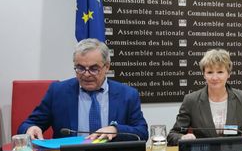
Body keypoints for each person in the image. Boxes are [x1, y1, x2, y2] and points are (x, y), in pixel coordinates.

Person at [18, 39, 148, 141]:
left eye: (94, 68)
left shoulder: (127, 95)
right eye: (80, 68)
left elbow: (142, 132)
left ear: (106, 67)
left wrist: (116, 130)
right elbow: (28, 124)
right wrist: (31, 128)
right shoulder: (58, 92)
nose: (86, 74)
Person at [167, 49, 242, 145]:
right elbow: (173, 135)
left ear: (228, 74)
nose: (215, 78)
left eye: (220, 72)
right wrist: (182, 137)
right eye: (210, 72)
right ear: (204, 75)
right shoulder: (191, 100)